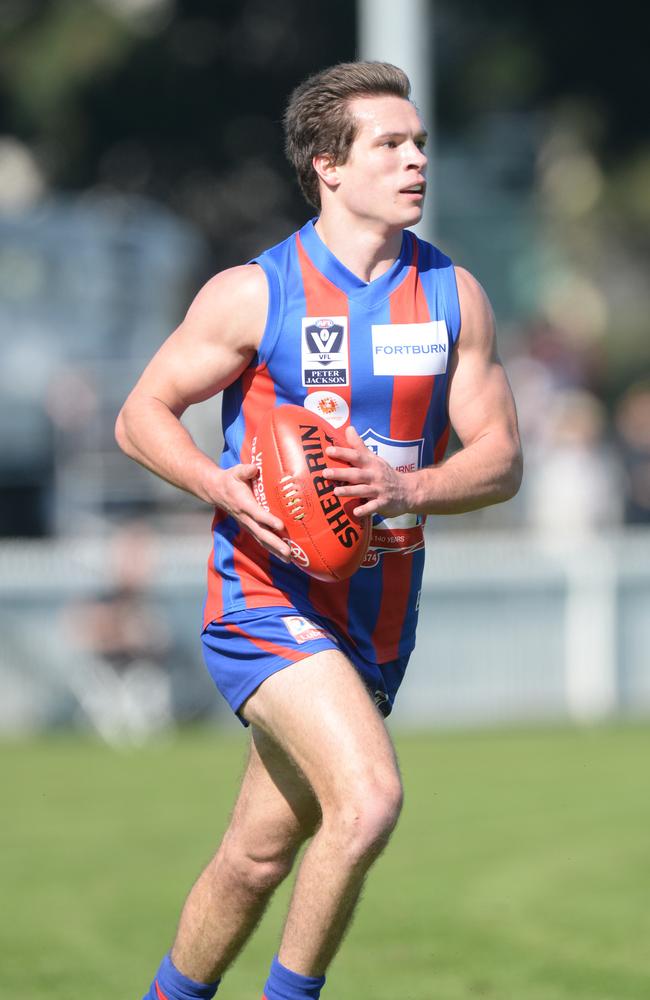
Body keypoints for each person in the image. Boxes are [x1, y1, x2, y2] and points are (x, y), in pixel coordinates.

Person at [116, 61, 522, 1000]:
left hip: (375, 622)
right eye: (391, 143)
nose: (417, 158)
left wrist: (407, 482)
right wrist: (217, 480)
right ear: (328, 165)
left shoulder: (454, 296)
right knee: (370, 800)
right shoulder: (255, 294)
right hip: (267, 601)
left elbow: (502, 458)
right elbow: (141, 414)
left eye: (419, 141)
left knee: (257, 857)